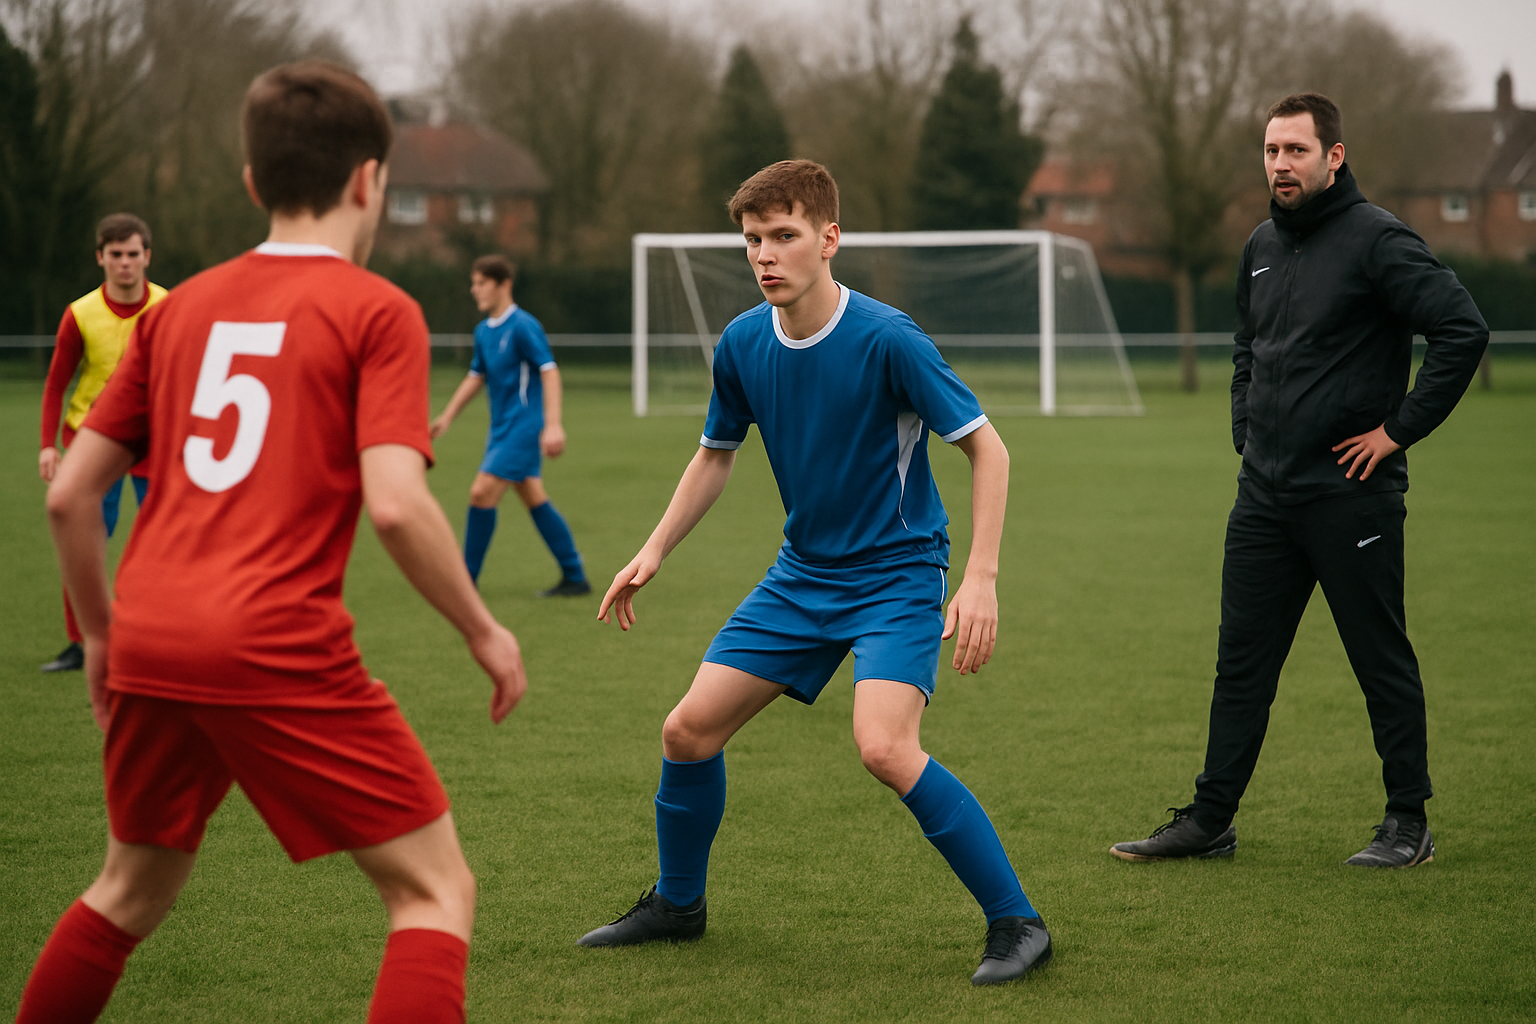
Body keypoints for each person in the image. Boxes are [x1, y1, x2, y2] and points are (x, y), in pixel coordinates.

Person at [16, 61, 527, 1024]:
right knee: (432, 892)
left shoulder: (179, 311)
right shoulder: (378, 311)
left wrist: (100, 639)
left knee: (127, 891)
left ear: (252, 182)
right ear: (372, 180)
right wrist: (483, 630)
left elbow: (71, 496)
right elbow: (396, 504)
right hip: (270, 640)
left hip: (154, 636)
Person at [575, 160, 1050, 985]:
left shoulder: (889, 337)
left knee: (884, 747)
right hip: (802, 577)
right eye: (754, 239)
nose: (766, 255)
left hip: (896, 577)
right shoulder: (743, 342)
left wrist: (981, 576)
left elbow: (987, 448)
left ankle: (1018, 923)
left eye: (784, 236)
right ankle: (679, 906)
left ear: (829, 240)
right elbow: (715, 456)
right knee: (687, 732)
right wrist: (654, 549)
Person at [1111, 93, 1488, 869]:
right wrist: (1245, 426)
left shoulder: (1378, 239)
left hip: (1352, 496)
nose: (1281, 165)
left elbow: (1462, 329)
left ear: (1334, 157)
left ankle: (1407, 822)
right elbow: (1249, 345)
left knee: (1378, 657)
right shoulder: (1259, 245)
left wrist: (1396, 432)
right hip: (1265, 499)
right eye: (1272, 151)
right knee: (1240, 659)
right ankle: (1211, 819)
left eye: (1297, 151)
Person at [37, 214, 167, 673]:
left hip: (156, 441)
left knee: (166, 543)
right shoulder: (80, 313)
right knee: (84, 541)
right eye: (116, 255)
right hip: (93, 440)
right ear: (100, 258)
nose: (125, 264)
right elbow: (56, 384)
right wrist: (48, 445)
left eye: (134, 254)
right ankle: (80, 642)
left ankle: (160, 640)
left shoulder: (170, 308)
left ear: (147, 256)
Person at [429, 255, 589, 597]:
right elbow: (476, 376)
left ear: (503, 284)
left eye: (482, 283)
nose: (475, 290)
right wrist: (447, 416)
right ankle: (574, 576)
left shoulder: (523, 325)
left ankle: (465, 581)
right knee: (532, 494)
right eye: (473, 284)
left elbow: (549, 370)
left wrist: (553, 425)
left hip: (524, 426)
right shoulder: (484, 331)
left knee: (480, 492)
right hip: (500, 428)